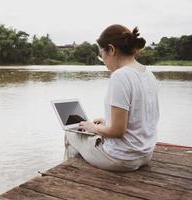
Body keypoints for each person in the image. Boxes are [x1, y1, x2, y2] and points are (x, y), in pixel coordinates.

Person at [64, 24, 159, 172]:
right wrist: (106, 122)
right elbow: (140, 118)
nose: (105, 64)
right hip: (146, 154)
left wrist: (93, 127)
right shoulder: (148, 74)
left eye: (102, 56)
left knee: (71, 134)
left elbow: (117, 131)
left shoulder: (120, 76)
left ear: (111, 50)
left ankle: (71, 176)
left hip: (121, 159)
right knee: (88, 133)